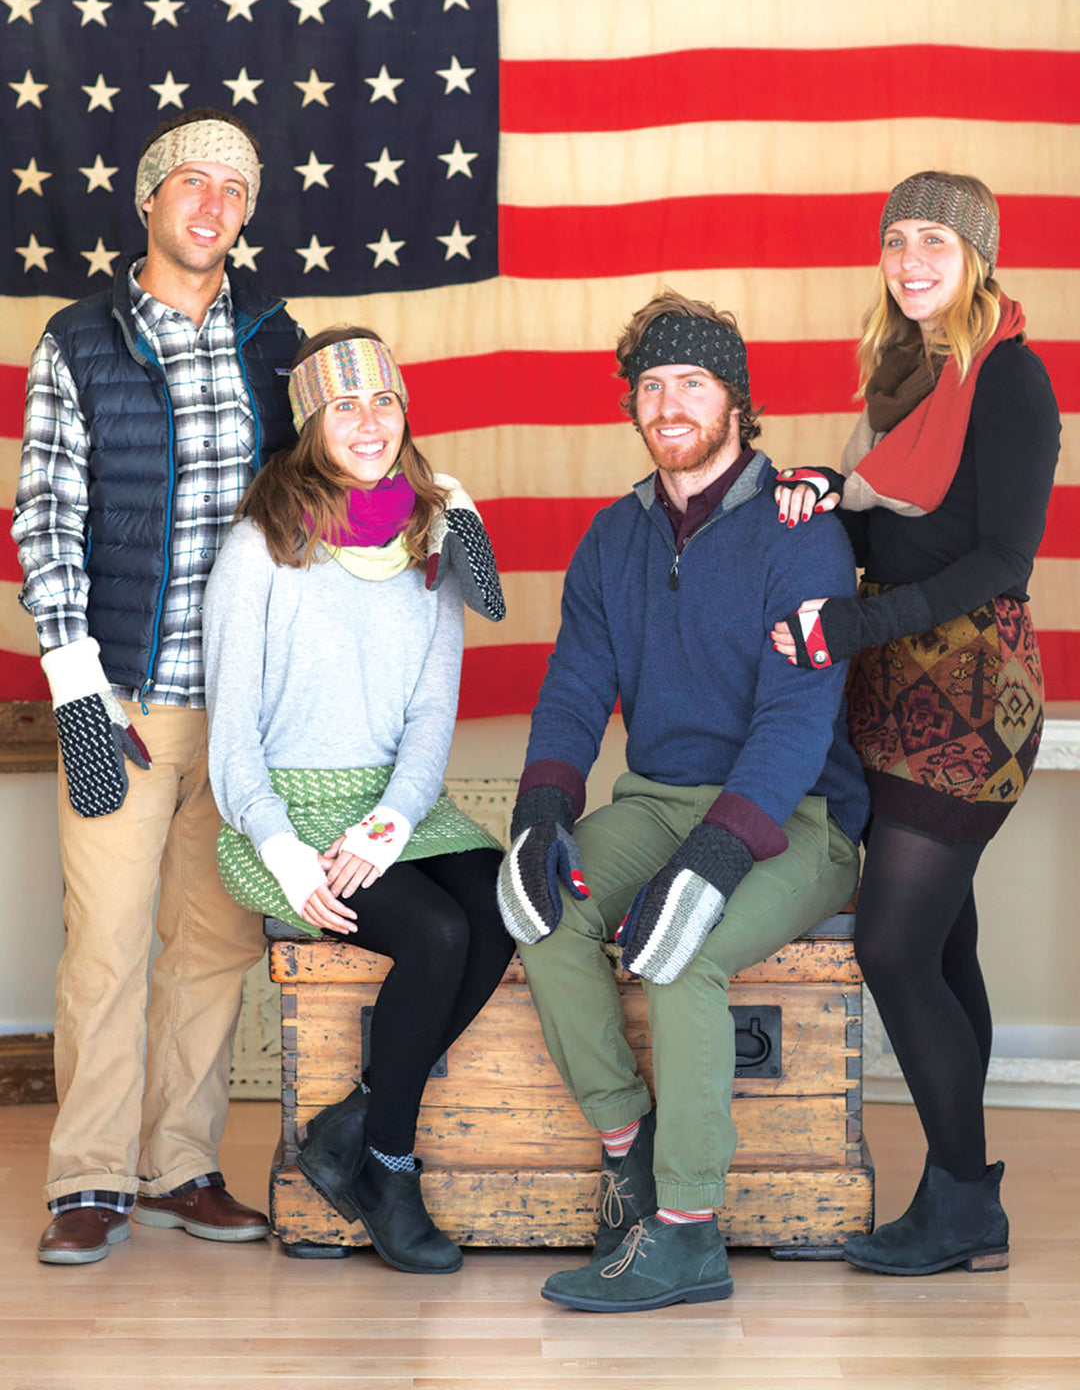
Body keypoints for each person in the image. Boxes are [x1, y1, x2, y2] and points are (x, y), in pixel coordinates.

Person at [495, 290, 869, 1313]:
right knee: (538, 904)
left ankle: (689, 1231)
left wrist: (716, 856)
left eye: (691, 383)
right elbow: (575, 687)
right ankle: (632, 1148)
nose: (668, 402)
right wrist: (541, 809)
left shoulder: (800, 534)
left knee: (681, 944)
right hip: (657, 798)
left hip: (794, 816)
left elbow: (797, 720)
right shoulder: (614, 538)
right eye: (651, 385)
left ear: (735, 403)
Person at [10, 108, 303, 1264]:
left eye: (235, 189)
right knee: (108, 944)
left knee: (214, 942)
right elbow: (46, 518)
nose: (213, 203)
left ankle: (179, 1165)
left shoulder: (277, 342)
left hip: (245, 709)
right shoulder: (78, 341)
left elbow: (335, 487)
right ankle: (89, 1177)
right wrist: (80, 686)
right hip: (128, 701)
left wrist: (445, 508)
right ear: (148, 201)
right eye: (193, 181)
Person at [771, 171, 1061, 1276]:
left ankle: (961, 1201)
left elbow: (999, 560)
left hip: (974, 700)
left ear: (977, 253)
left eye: (933, 239)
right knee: (944, 940)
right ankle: (962, 1183)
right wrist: (820, 493)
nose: (910, 260)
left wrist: (860, 617)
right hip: (890, 694)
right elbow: (884, 518)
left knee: (892, 945)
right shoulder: (899, 380)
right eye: (896, 241)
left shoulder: (1012, 381)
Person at [203, 326, 513, 1274]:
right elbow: (232, 730)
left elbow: (431, 714)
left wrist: (392, 821)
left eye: (383, 401)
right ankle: (385, 1163)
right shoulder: (261, 550)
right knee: (436, 934)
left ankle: (347, 1122)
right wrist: (286, 849)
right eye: (345, 407)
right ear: (311, 426)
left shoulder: (433, 542)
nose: (369, 423)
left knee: (499, 905)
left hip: (392, 810)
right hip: (284, 813)